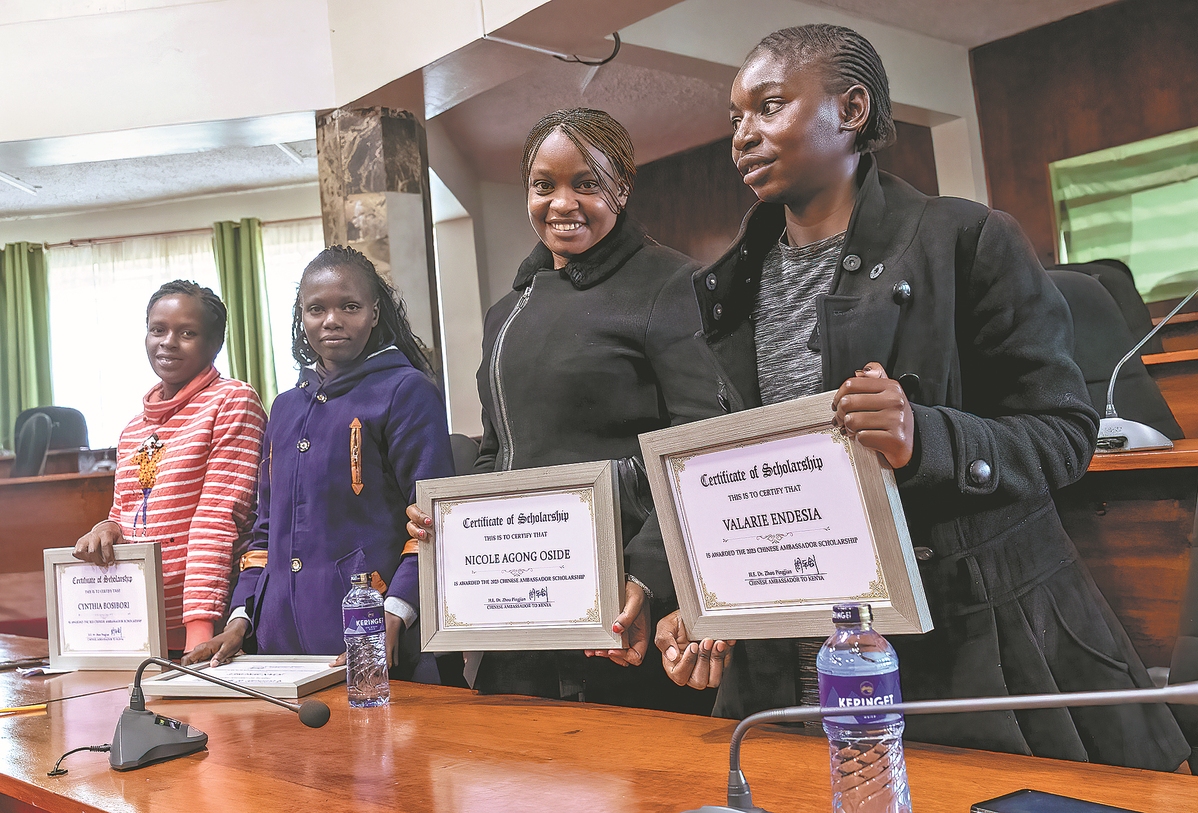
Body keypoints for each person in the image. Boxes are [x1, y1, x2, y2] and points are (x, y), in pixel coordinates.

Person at [653, 23, 1192, 770]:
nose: (743, 134)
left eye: (769, 106)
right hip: (792, 671)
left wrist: (925, 436)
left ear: (851, 109)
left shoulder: (966, 239)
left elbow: (1066, 433)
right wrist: (709, 603)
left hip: (969, 651)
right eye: (736, 117)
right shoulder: (724, 290)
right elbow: (743, 481)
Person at [406, 108, 719, 709]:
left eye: (587, 183)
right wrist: (453, 522)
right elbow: (498, 451)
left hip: (625, 608)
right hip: (519, 610)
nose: (562, 202)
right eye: (544, 185)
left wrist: (648, 574)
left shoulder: (672, 284)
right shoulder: (507, 311)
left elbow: (700, 445)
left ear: (622, 188)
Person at [184, 246, 454, 682]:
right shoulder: (285, 407)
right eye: (316, 309)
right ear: (301, 316)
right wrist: (240, 620)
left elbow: (434, 522)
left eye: (349, 306)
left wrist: (395, 613)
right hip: (278, 648)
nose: (332, 320)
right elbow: (264, 531)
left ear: (373, 312)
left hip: (371, 640)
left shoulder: (406, 391)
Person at [74, 280, 266, 655]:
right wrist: (106, 527)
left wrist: (200, 631)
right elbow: (126, 513)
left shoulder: (232, 401)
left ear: (214, 344)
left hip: (213, 630)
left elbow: (218, 518)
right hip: (141, 627)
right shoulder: (133, 428)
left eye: (187, 333)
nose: (167, 342)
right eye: (157, 330)